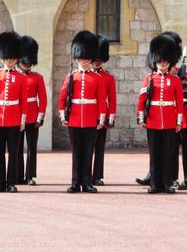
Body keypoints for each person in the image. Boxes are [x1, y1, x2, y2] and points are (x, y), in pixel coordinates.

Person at [58, 30, 106, 193]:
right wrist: (63, 116)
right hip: (74, 119)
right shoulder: (71, 77)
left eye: (86, 58)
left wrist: (101, 119)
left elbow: (101, 100)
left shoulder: (97, 78)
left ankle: (87, 183)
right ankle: (74, 182)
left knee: (88, 153)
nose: (84, 61)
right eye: (81, 58)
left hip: (91, 119)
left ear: (90, 58)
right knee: (76, 153)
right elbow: (63, 98)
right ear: (77, 58)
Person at [136, 33, 183, 194]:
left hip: (169, 121)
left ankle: (167, 183)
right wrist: (141, 118)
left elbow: (179, 102)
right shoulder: (149, 79)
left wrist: (179, 121)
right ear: (155, 61)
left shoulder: (175, 80)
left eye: (165, 61)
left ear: (169, 62)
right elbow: (142, 100)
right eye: (160, 60)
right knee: (154, 154)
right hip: (153, 120)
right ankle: (155, 184)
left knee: (167, 154)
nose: (163, 63)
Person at [0, 31, 27, 193]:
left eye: (12, 59)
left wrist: (22, 120)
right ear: (2, 58)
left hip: (14, 119)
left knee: (14, 153)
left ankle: (11, 183)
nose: (9, 62)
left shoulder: (21, 77)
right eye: (7, 59)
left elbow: (23, 100)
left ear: (16, 59)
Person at [16, 36, 47, 186]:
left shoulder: (37, 78)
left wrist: (40, 117)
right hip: (16, 116)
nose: (26, 63)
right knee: (17, 148)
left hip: (33, 116)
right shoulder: (14, 77)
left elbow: (43, 99)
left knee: (31, 148)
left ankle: (29, 175)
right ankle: (17, 175)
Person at [91, 35, 116, 186]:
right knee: (87, 148)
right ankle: (85, 174)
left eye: (99, 59)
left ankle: (97, 175)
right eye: (95, 59)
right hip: (87, 115)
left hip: (102, 115)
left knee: (99, 148)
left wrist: (110, 117)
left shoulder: (108, 77)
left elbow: (111, 99)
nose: (97, 62)